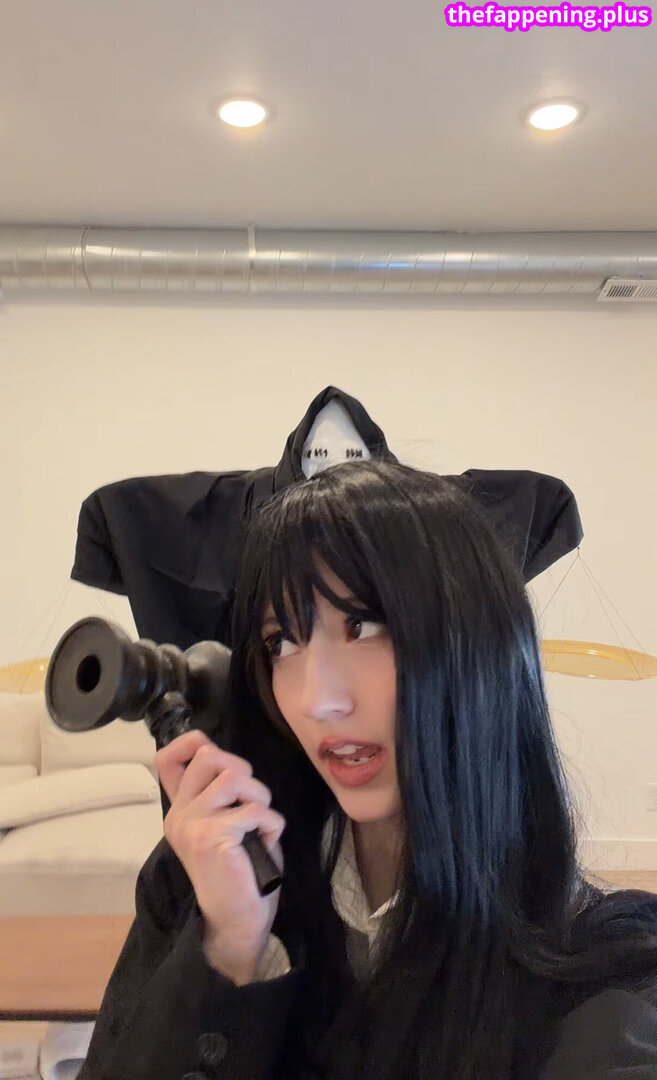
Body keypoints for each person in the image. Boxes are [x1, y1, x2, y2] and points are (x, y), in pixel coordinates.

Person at [77, 459, 657, 1080]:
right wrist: (230, 950)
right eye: (282, 643)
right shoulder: (209, 882)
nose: (315, 700)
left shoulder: (606, 975)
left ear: (479, 646)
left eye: (363, 625)